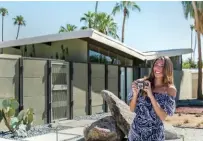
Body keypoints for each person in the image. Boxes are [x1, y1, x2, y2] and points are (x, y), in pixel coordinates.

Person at [127, 56, 177, 141]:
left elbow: (163, 117)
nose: (157, 68)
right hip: (136, 134)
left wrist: (151, 95)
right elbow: (132, 109)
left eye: (161, 66)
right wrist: (135, 94)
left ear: (167, 69)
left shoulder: (170, 89)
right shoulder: (142, 82)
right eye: (156, 64)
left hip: (155, 135)